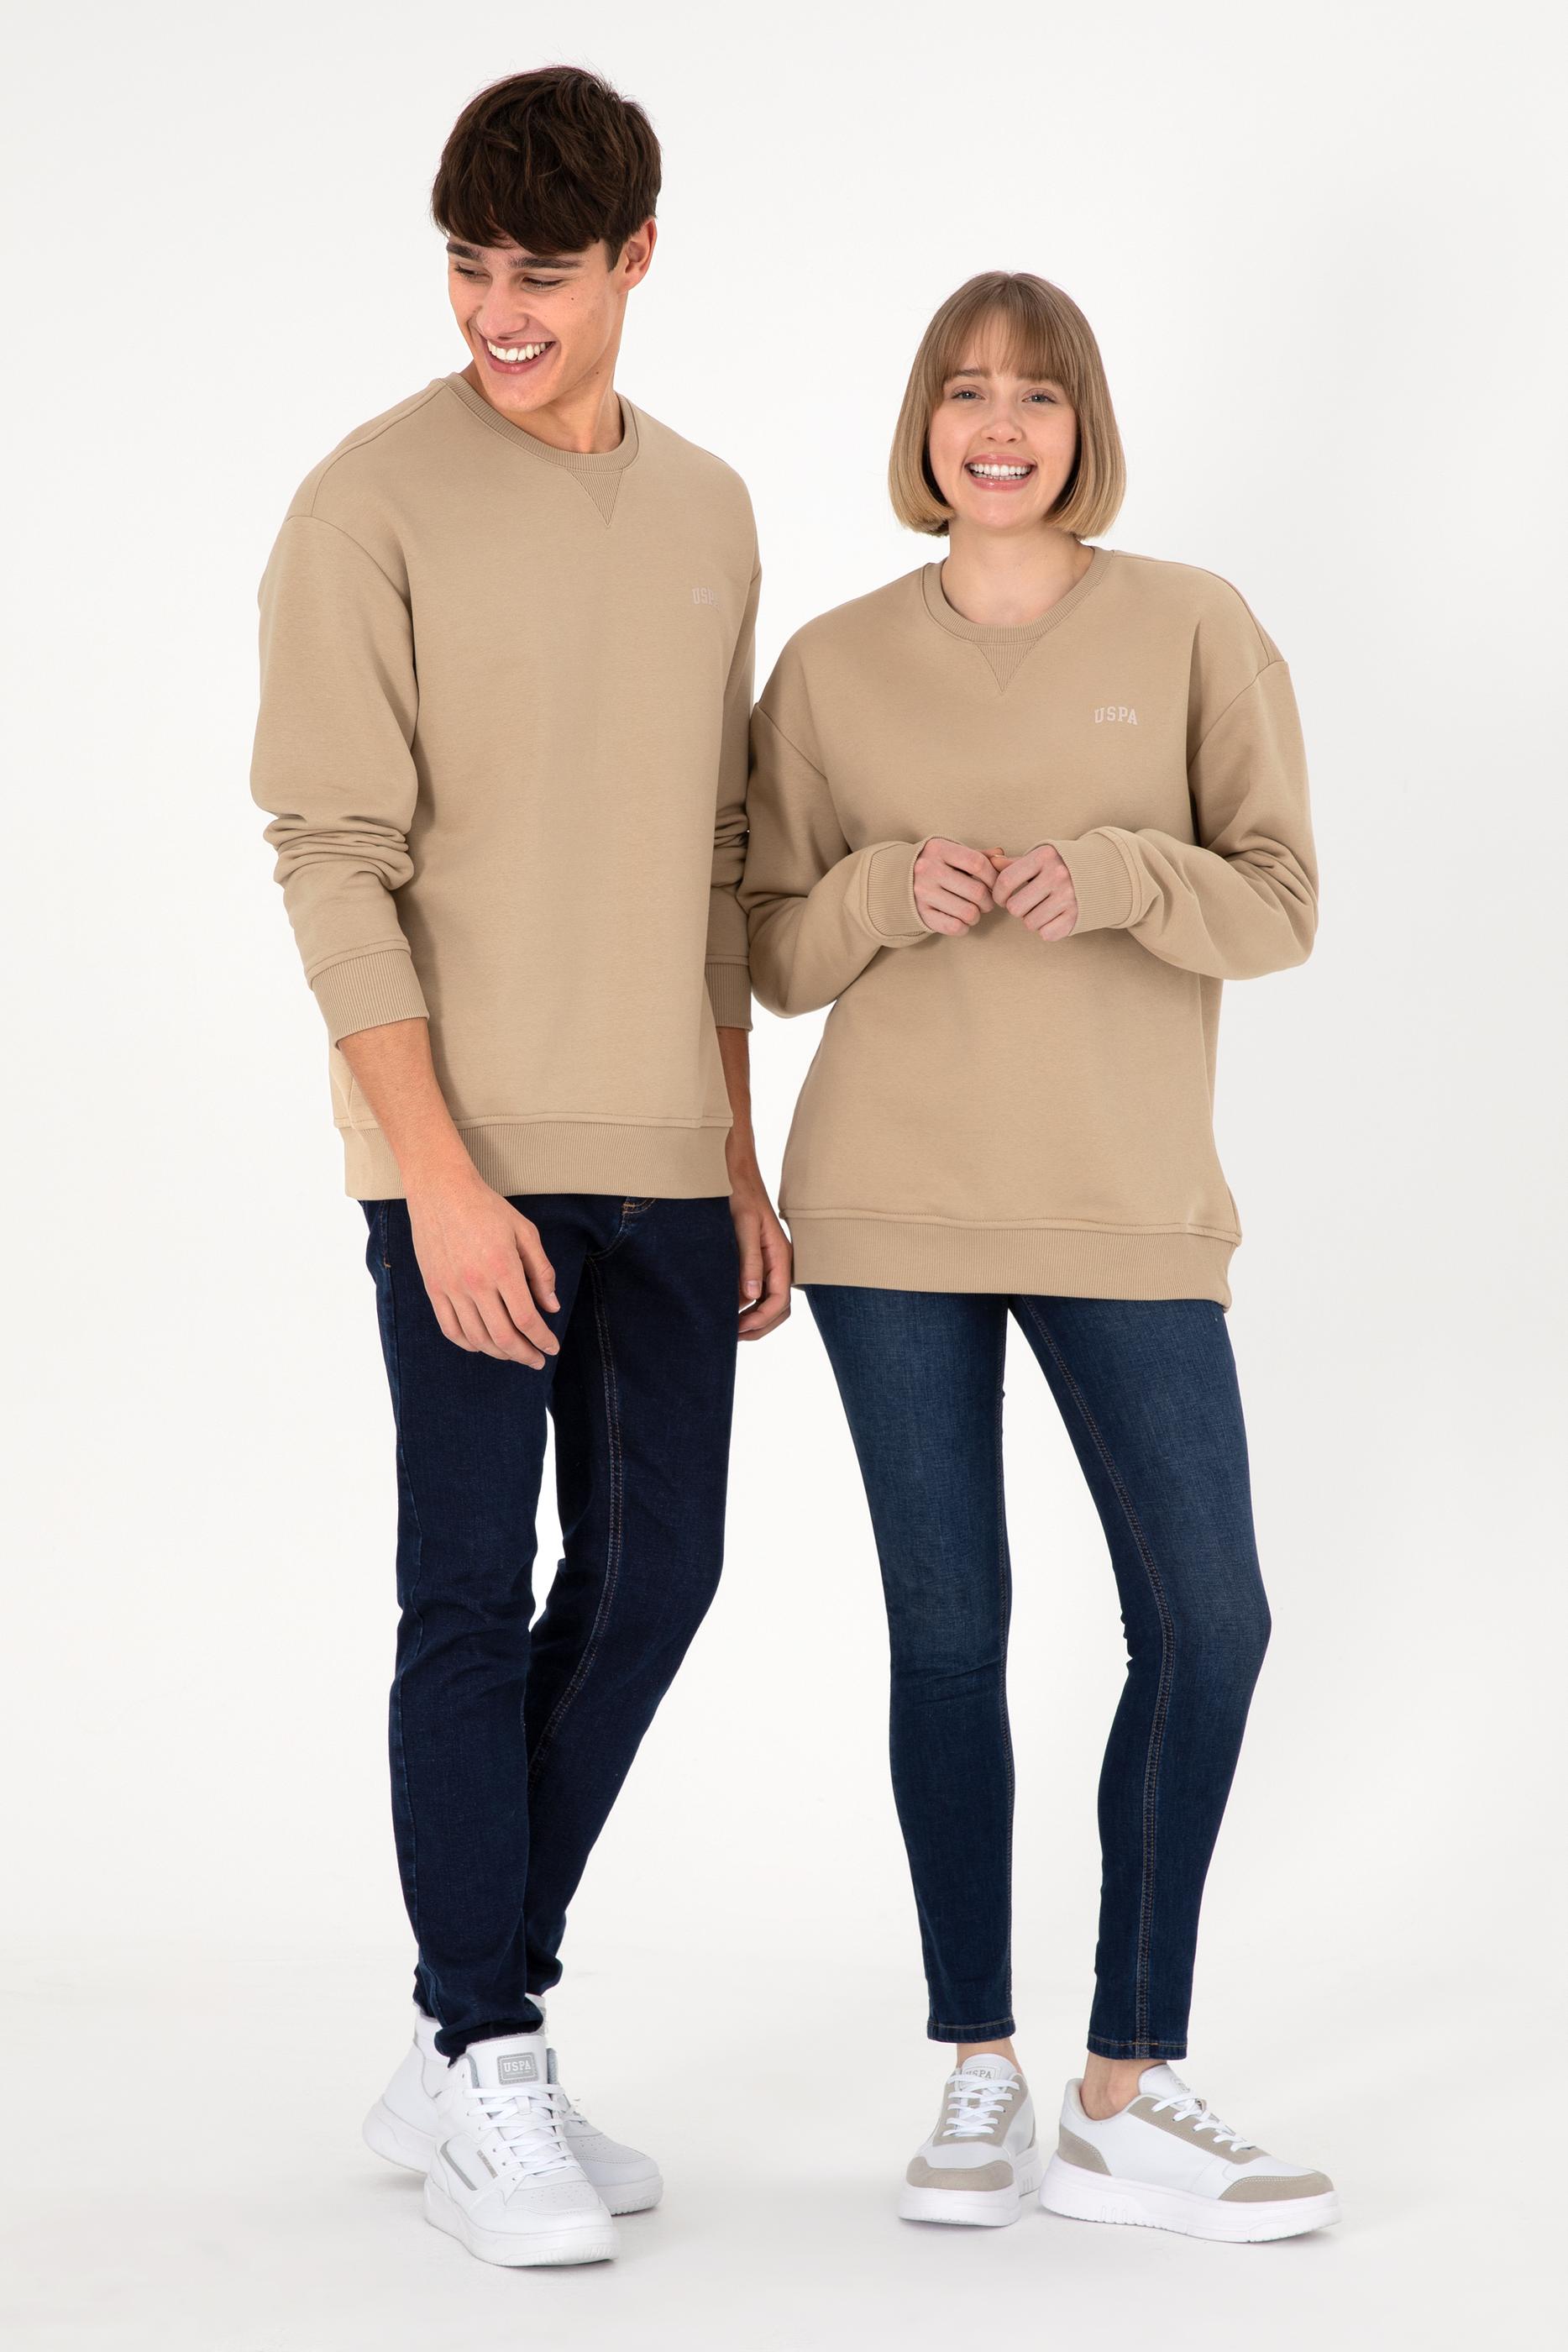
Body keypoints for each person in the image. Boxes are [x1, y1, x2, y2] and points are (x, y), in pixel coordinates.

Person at [249, 66, 789, 2271]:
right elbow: (330, 852)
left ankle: (460, 2025)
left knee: (656, 1580)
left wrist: (736, 1155)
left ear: (636, 257)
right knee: (467, 1592)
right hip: (457, 1157)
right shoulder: (365, 502)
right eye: (470, 266)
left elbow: (720, 856)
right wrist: (435, 1179)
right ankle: (490, 2042)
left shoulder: (712, 510)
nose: (498, 309)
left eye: (542, 271)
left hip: (663, 1150)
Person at [740, 270, 1335, 2244]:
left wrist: (1115, 874)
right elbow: (763, 947)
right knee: (948, 1631)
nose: (998, 426)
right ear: (921, 425)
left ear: (1084, 425)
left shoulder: (1191, 625)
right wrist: (873, 891)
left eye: (1037, 393)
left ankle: (1124, 2082)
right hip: (888, 1209)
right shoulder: (830, 663)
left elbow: (1280, 902)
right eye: (964, 392)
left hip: (1124, 1202)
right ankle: (978, 2064)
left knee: (1211, 1619)